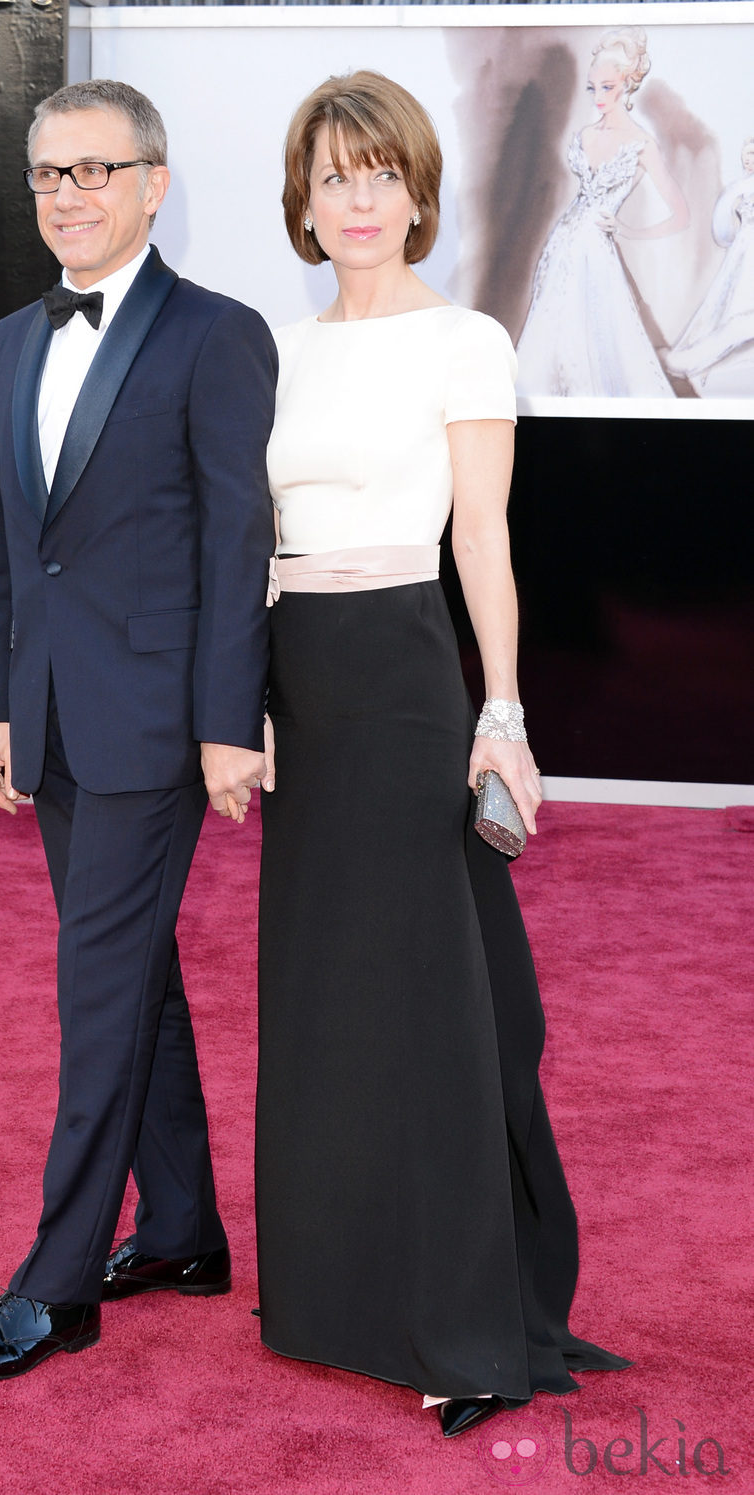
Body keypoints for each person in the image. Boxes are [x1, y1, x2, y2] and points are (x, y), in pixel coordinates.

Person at [255, 70, 630, 1439]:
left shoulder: (467, 339)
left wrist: (505, 708)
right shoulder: (274, 350)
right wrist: (244, 712)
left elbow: (485, 540)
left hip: (408, 677)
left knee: (433, 1006)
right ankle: (336, 1296)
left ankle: (469, 1325)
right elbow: (251, 543)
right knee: (321, 997)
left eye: (380, 172)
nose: (356, 197)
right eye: (331, 173)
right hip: (298, 681)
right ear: (301, 196)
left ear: (419, 191)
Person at [0, 79, 277, 1382]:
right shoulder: (15, 336)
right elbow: (1, 541)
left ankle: (57, 1283)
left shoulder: (217, 334)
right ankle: (181, 1228)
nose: (70, 195)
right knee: (134, 976)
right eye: (50, 175)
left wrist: (229, 720)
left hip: (159, 727)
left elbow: (240, 540)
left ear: (155, 181)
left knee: (96, 990)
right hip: (54, 715)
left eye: (97, 171)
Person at [515, 28, 688, 397]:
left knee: (599, 338)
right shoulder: (585, 134)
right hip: (561, 244)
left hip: (596, 250)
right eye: (592, 87)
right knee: (550, 332)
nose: (598, 96)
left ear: (627, 84)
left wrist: (628, 231)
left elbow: (681, 215)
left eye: (607, 87)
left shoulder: (642, 144)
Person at [666, 137, 754, 393]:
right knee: (736, 296)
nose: (749, 160)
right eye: (746, 156)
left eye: (753, 155)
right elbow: (722, 230)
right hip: (744, 249)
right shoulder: (737, 189)